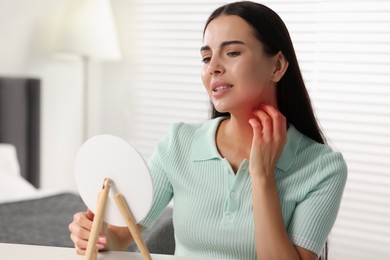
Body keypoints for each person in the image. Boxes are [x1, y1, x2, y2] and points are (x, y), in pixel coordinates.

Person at [69, 1, 347, 259]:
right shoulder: (179, 143)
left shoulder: (322, 168)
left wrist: (262, 178)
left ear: (277, 65)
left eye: (233, 53)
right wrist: (98, 236)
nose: (213, 67)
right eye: (206, 57)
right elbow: (122, 235)